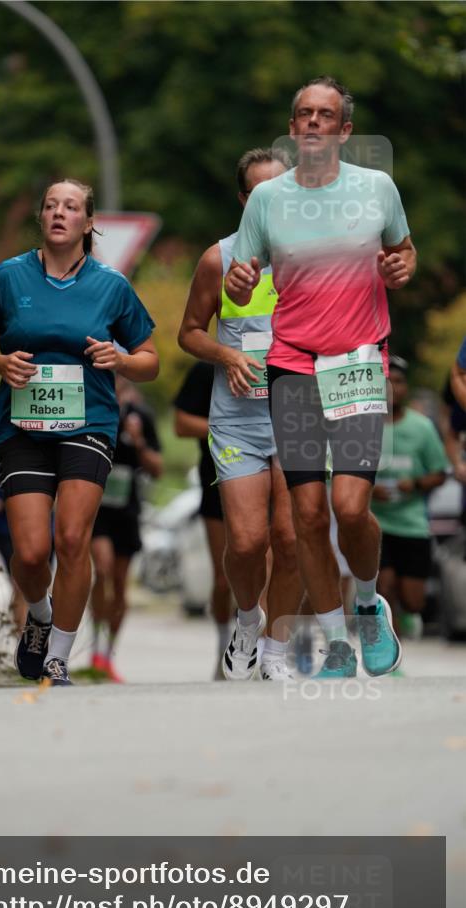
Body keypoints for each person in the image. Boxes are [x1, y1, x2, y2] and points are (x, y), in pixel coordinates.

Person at [225, 76, 417, 679]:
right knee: (306, 515)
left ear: (344, 130)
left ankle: (367, 602)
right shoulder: (268, 200)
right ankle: (334, 643)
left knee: (350, 507)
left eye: (324, 115)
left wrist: (399, 265)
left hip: (358, 360)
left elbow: (404, 251)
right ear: (293, 126)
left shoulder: (377, 189)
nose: (312, 123)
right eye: (303, 114)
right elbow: (243, 271)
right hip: (292, 365)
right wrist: (237, 281)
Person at [0, 179, 158, 686]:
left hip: (88, 421)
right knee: (29, 552)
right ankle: (41, 616)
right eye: (50, 205)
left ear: (88, 223)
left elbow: (150, 361)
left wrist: (122, 359)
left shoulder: (111, 285)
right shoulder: (8, 277)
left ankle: (58, 657)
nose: (58, 213)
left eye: (70, 207)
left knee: (72, 538)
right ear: (41, 218)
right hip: (22, 424)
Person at [178, 148, 303, 681]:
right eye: (258, 193)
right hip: (238, 420)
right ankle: (246, 620)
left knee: (293, 539)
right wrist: (227, 354)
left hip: (298, 414)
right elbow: (189, 333)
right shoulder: (219, 258)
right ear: (243, 200)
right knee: (248, 541)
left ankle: (276, 649)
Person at [90, 376, 163, 681]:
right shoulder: (93, 408)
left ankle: (108, 654)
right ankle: (95, 647)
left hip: (128, 508)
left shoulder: (140, 416)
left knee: (120, 583)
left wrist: (140, 439)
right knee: (103, 569)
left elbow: (157, 468)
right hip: (97, 508)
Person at [371, 356, 447, 636]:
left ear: (406, 387)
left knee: (413, 601)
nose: (392, 388)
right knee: (385, 585)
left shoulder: (421, 428)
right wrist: (368, 489)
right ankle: (392, 647)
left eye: (399, 382)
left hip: (412, 524)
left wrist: (414, 484)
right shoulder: (365, 425)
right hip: (377, 524)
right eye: (386, 381)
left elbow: (440, 472)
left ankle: (407, 618)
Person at [173, 361, 234, 679]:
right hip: (217, 479)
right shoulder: (206, 370)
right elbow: (180, 425)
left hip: (268, 473)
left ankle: (265, 652)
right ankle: (225, 647)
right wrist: (230, 429)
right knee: (225, 578)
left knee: (268, 566)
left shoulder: (278, 358)